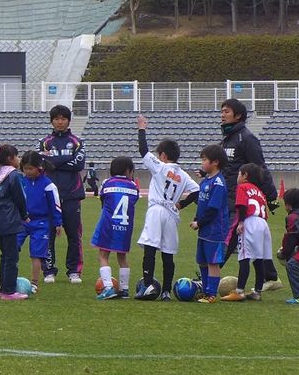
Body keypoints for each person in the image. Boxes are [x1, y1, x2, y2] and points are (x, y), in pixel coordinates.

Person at [218, 98, 282, 291]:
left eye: (226, 111)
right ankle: (271, 277)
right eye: (221, 111)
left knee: (228, 237)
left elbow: (260, 166)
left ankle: (208, 276)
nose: (222, 114)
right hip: (228, 195)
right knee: (245, 241)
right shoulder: (227, 139)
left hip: (240, 199)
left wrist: (270, 196)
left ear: (238, 115)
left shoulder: (247, 138)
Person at [135, 115, 199, 301]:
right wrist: (181, 204)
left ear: (162, 155)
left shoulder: (160, 167)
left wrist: (141, 128)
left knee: (150, 248)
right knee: (168, 253)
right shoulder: (184, 175)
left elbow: (143, 150)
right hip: (171, 213)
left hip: (156, 209)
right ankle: (166, 291)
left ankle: (147, 286)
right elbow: (196, 191)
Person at [39, 104, 86, 284]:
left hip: (72, 195)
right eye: (56, 119)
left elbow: (79, 164)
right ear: (52, 121)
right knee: (48, 235)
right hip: (49, 197)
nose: (60, 122)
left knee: (74, 235)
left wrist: (54, 160)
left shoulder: (77, 141)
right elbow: (43, 163)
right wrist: (66, 159)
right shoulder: (44, 142)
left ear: (68, 121)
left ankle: (74, 270)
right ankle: (48, 270)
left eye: (63, 119)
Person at [221, 163, 272, 302]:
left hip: (249, 221)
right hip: (262, 223)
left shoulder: (242, 187)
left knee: (244, 256)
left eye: (239, 174)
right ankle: (257, 291)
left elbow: (242, 205)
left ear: (245, 176)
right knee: (258, 258)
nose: (237, 176)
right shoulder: (260, 192)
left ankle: (239, 291)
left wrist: (242, 222)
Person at [91, 157, 140, 300]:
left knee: (103, 255)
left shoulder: (107, 183)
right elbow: (134, 200)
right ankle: (124, 290)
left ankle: (108, 287)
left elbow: (103, 198)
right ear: (127, 171)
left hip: (108, 224)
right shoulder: (133, 186)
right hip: (125, 226)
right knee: (122, 256)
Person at [0, 144, 29, 301]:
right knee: (12, 257)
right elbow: (20, 198)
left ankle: (4, 288)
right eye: (17, 156)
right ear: (10, 159)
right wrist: (25, 215)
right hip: (10, 220)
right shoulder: (13, 176)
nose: (19, 159)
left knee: (5, 255)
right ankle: (9, 291)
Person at [18, 151, 62, 292]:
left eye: (31, 168)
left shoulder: (48, 185)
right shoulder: (20, 181)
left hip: (41, 223)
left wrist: (58, 223)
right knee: (11, 248)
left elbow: (55, 205)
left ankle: (34, 283)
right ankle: (8, 277)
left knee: (36, 255)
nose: (28, 171)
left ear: (39, 167)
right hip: (22, 221)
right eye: (25, 168)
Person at [191, 144, 229, 303]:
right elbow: (202, 204)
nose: (202, 162)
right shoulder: (207, 180)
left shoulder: (218, 183)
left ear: (215, 162)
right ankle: (206, 290)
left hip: (214, 230)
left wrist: (199, 223)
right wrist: (196, 218)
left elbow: (213, 209)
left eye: (204, 159)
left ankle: (211, 294)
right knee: (202, 260)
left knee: (213, 262)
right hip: (205, 229)